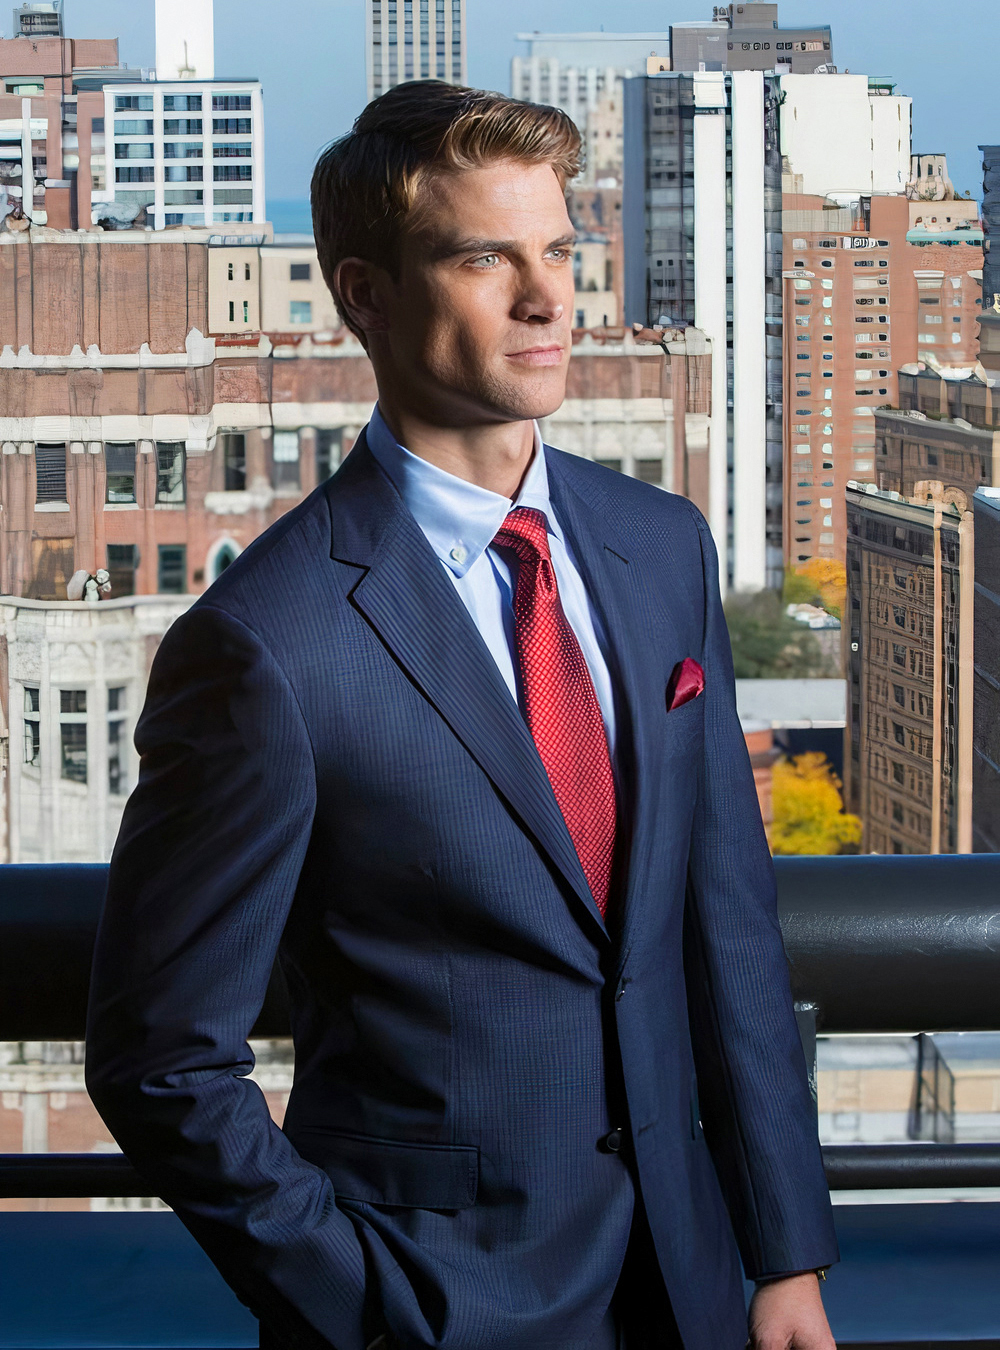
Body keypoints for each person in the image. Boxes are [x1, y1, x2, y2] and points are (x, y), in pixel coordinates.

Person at [85, 82, 839, 1350]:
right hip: (436, 1306)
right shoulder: (264, 647)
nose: (548, 299)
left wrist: (784, 1255)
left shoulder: (662, 548)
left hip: (700, 1286)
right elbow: (162, 1060)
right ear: (365, 294)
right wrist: (367, 1302)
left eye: (558, 251)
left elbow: (726, 918)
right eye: (486, 257)